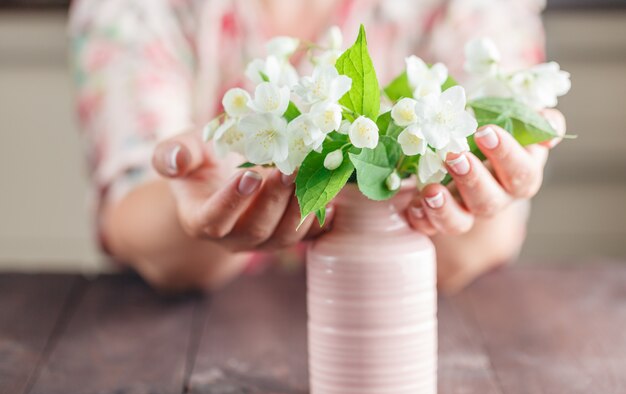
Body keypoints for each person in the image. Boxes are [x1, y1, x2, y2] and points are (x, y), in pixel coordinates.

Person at [69, 0, 565, 293]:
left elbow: (481, 244)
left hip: (413, 320)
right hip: (198, 333)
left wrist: (480, 188)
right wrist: (194, 203)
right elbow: (133, 214)